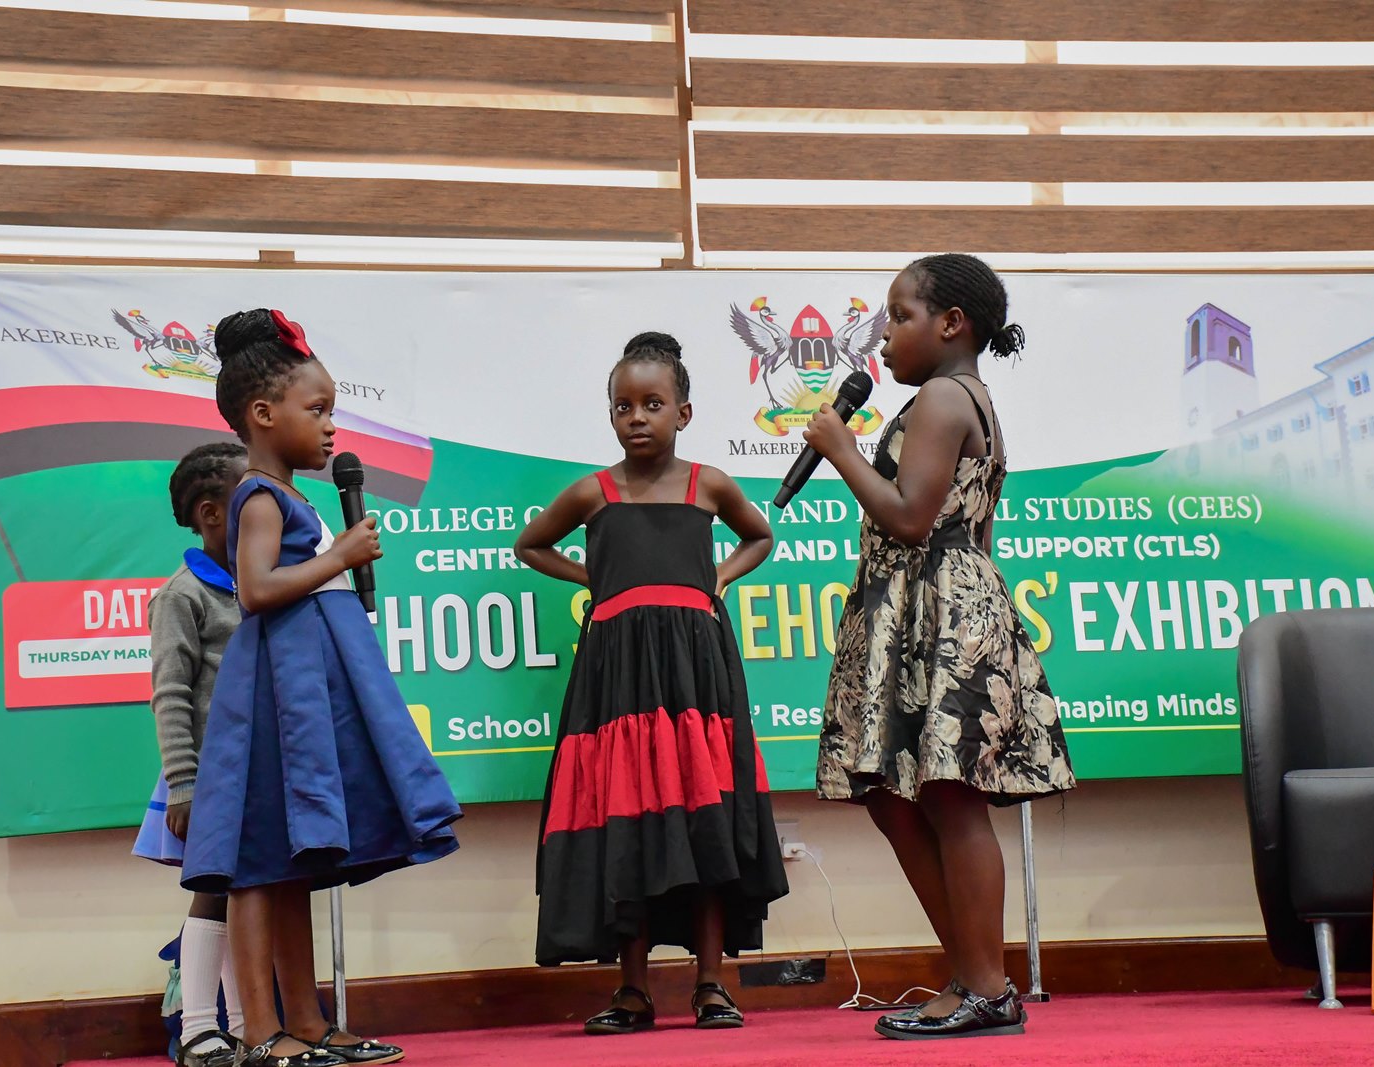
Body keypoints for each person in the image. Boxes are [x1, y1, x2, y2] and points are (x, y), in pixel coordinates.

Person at [802, 254, 1076, 1040]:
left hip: (942, 612)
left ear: (951, 323)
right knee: (891, 796)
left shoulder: (943, 398)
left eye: (899, 316)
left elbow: (912, 516)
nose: (883, 335)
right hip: (920, 610)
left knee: (950, 798)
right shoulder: (963, 399)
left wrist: (839, 446)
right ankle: (967, 968)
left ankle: (988, 987)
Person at [180, 308, 461, 1066]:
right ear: (264, 415)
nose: (331, 427)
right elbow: (257, 589)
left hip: (306, 699)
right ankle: (259, 1030)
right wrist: (338, 555)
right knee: (254, 865)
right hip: (272, 699)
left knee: (296, 864)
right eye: (319, 410)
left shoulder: (290, 494)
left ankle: (308, 1021)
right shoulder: (260, 497)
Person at [516, 332, 789, 1034]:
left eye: (652, 403)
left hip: (697, 675)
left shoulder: (710, 485)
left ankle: (710, 982)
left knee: (703, 822)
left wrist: (719, 578)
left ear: (684, 413)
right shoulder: (592, 491)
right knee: (628, 823)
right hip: (619, 680)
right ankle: (632, 990)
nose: (636, 416)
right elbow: (530, 544)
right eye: (622, 406)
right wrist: (594, 581)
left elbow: (758, 535)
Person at [131, 441, 248, 1067]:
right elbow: (169, 693)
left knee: (254, 891)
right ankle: (202, 1030)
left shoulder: (262, 580)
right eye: (247, 496)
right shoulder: (182, 596)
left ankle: (251, 1026)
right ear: (210, 513)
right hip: (211, 775)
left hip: (261, 770)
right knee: (215, 890)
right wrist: (183, 784)